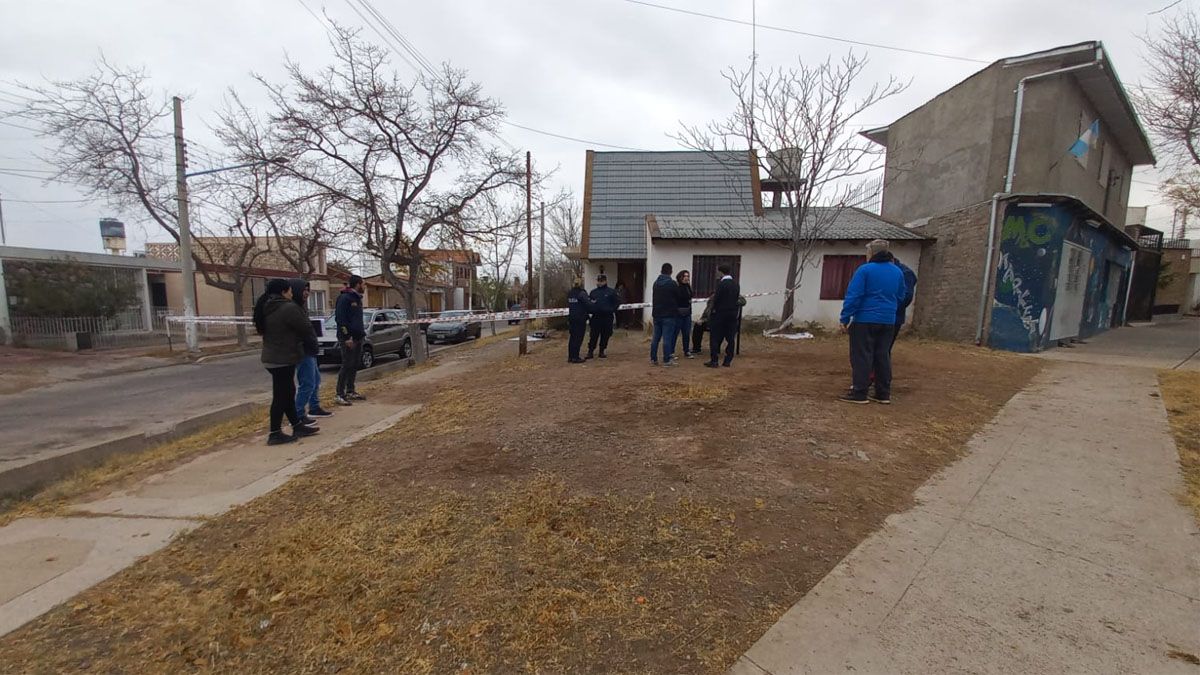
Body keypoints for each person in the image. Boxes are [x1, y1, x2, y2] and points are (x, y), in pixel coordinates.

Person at [838, 239, 906, 405]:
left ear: (872, 253)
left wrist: (845, 317)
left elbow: (854, 295)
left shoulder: (865, 270)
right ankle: (883, 393)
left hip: (865, 320)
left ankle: (859, 392)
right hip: (888, 321)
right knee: (882, 355)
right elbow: (901, 296)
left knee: (862, 355)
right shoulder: (897, 272)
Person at [253, 278, 320, 445]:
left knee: (288, 392)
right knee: (281, 396)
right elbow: (306, 328)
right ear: (284, 292)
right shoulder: (288, 308)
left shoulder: (266, 306)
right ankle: (274, 433)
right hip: (282, 358)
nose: (292, 293)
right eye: (290, 291)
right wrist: (313, 346)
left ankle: (297, 425)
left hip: (274, 357)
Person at [290, 279, 333, 424]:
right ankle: (298, 414)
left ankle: (314, 407)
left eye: (308, 290)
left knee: (316, 380)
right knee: (307, 383)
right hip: (302, 351)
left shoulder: (302, 307)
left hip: (310, 350)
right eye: (304, 290)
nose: (307, 293)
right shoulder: (293, 308)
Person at [334, 275, 367, 406]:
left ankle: (350, 390)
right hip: (348, 338)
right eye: (363, 284)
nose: (364, 287)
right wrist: (346, 336)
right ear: (358, 284)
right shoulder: (344, 298)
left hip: (358, 337)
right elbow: (340, 319)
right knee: (347, 364)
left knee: (354, 364)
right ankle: (339, 394)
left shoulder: (357, 299)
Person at [705, 264, 741, 368]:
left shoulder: (721, 284)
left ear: (721, 272)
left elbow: (716, 300)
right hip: (732, 314)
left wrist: (712, 311)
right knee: (730, 338)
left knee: (715, 337)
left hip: (720, 314)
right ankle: (728, 360)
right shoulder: (736, 284)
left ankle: (714, 360)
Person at [650, 263, 680, 366]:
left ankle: (653, 358)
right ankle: (667, 360)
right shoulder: (672, 284)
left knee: (655, 338)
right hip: (669, 315)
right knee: (667, 338)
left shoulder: (656, 283)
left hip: (657, 314)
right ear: (671, 271)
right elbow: (678, 296)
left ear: (661, 271)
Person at [586, 273, 620, 359]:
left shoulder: (611, 292)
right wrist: (591, 311)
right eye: (598, 281)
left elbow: (617, 303)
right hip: (596, 317)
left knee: (605, 335)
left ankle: (602, 351)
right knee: (593, 335)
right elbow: (589, 304)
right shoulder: (593, 292)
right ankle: (590, 352)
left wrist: (611, 310)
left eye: (601, 281)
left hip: (607, 317)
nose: (600, 283)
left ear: (605, 281)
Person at [892, 256, 918, 351]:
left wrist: (890, 308)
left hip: (894, 317)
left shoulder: (905, 273)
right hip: (880, 316)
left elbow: (906, 297)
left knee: (884, 348)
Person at [566, 277, 593, 363]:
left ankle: (570, 356)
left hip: (571, 318)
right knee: (578, 338)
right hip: (580, 318)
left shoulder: (570, 293)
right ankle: (576, 357)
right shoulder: (582, 293)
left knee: (572, 338)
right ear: (581, 283)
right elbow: (588, 304)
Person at [674, 270, 695, 358]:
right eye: (685, 276)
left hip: (687, 313)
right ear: (680, 277)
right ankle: (671, 351)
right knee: (675, 333)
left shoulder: (688, 287)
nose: (686, 278)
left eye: (688, 276)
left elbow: (691, 296)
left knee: (686, 333)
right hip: (678, 314)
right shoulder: (677, 287)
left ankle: (686, 351)